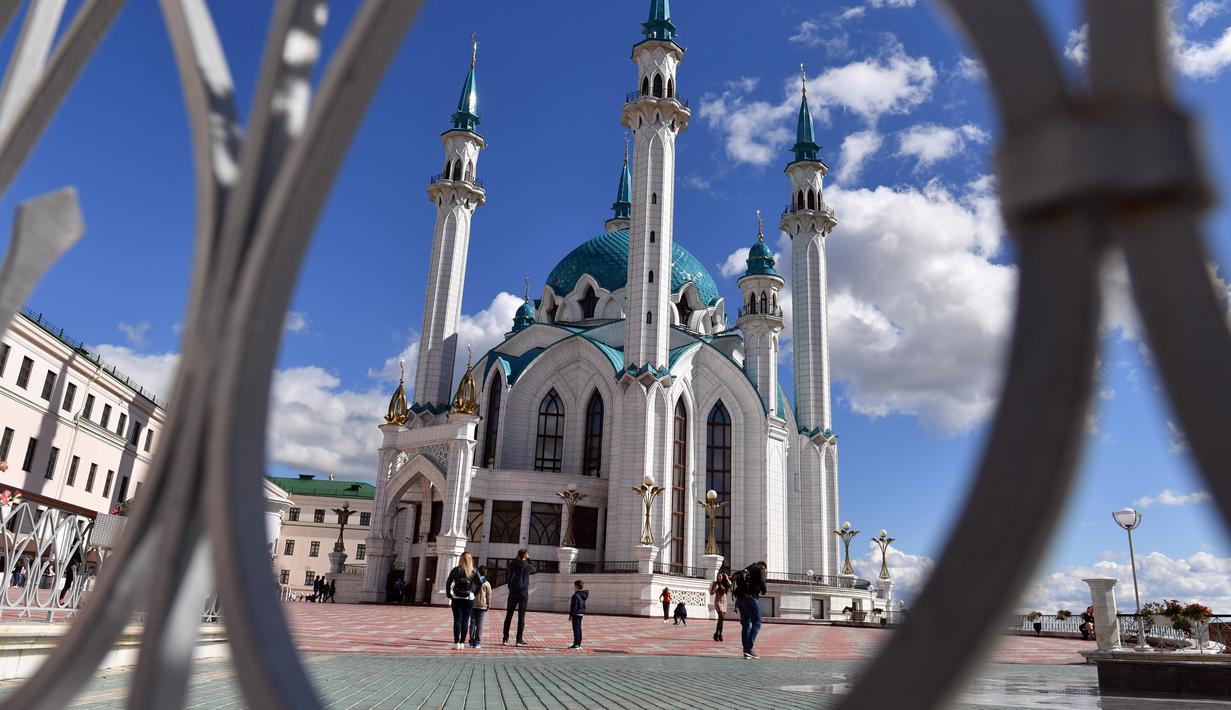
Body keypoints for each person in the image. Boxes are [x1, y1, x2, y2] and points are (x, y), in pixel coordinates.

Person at [733, 561, 768, 659]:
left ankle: (746, 650)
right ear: (764, 567)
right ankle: (748, 648)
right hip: (750, 599)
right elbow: (762, 581)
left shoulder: (747, 569)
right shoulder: (760, 569)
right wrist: (764, 591)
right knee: (757, 623)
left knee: (746, 625)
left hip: (740, 600)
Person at [446, 552, 480, 650]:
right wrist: (475, 593)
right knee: (465, 621)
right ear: (470, 560)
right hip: (468, 599)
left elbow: (448, 582)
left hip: (456, 598)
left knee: (457, 620)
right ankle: (462, 643)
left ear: (461, 559)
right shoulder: (473, 571)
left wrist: (449, 594)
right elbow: (480, 583)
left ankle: (456, 643)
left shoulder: (455, 570)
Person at [502, 549, 532, 646]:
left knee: (508, 616)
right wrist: (529, 559)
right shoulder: (528, 566)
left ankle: (505, 639)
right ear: (525, 555)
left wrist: (518, 558)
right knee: (521, 617)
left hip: (513, 592)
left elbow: (511, 564)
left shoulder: (512, 564)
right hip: (523, 593)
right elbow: (535, 568)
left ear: (518, 555)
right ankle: (519, 640)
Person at [469, 565, 492, 648]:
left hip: (472, 604)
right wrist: (489, 605)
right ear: (485, 573)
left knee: (472, 623)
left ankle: (471, 641)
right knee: (479, 624)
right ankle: (477, 642)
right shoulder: (486, 583)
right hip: (482, 606)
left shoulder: (473, 581)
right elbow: (489, 595)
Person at [710, 571, 731, 642]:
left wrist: (727, 578)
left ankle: (718, 634)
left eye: (720, 576)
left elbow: (730, 585)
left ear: (723, 577)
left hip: (724, 601)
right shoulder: (715, 583)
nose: (719, 577)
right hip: (718, 601)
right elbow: (711, 593)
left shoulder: (725, 584)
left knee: (721, 619)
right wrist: (715, 589)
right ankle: (718, 634)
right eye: (718, 576)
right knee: (721, 617)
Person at [567, 580, 588, 649]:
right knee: (579, 629)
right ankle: (578, 644)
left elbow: (574, 607)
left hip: (576, 614)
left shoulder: (575, 595)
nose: (573, 587)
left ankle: (576, 644)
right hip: (581, 613)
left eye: (574, 586)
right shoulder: (583, 595)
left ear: (576, 586)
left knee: (576, 629)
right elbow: (584, 605)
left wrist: (571, 615)